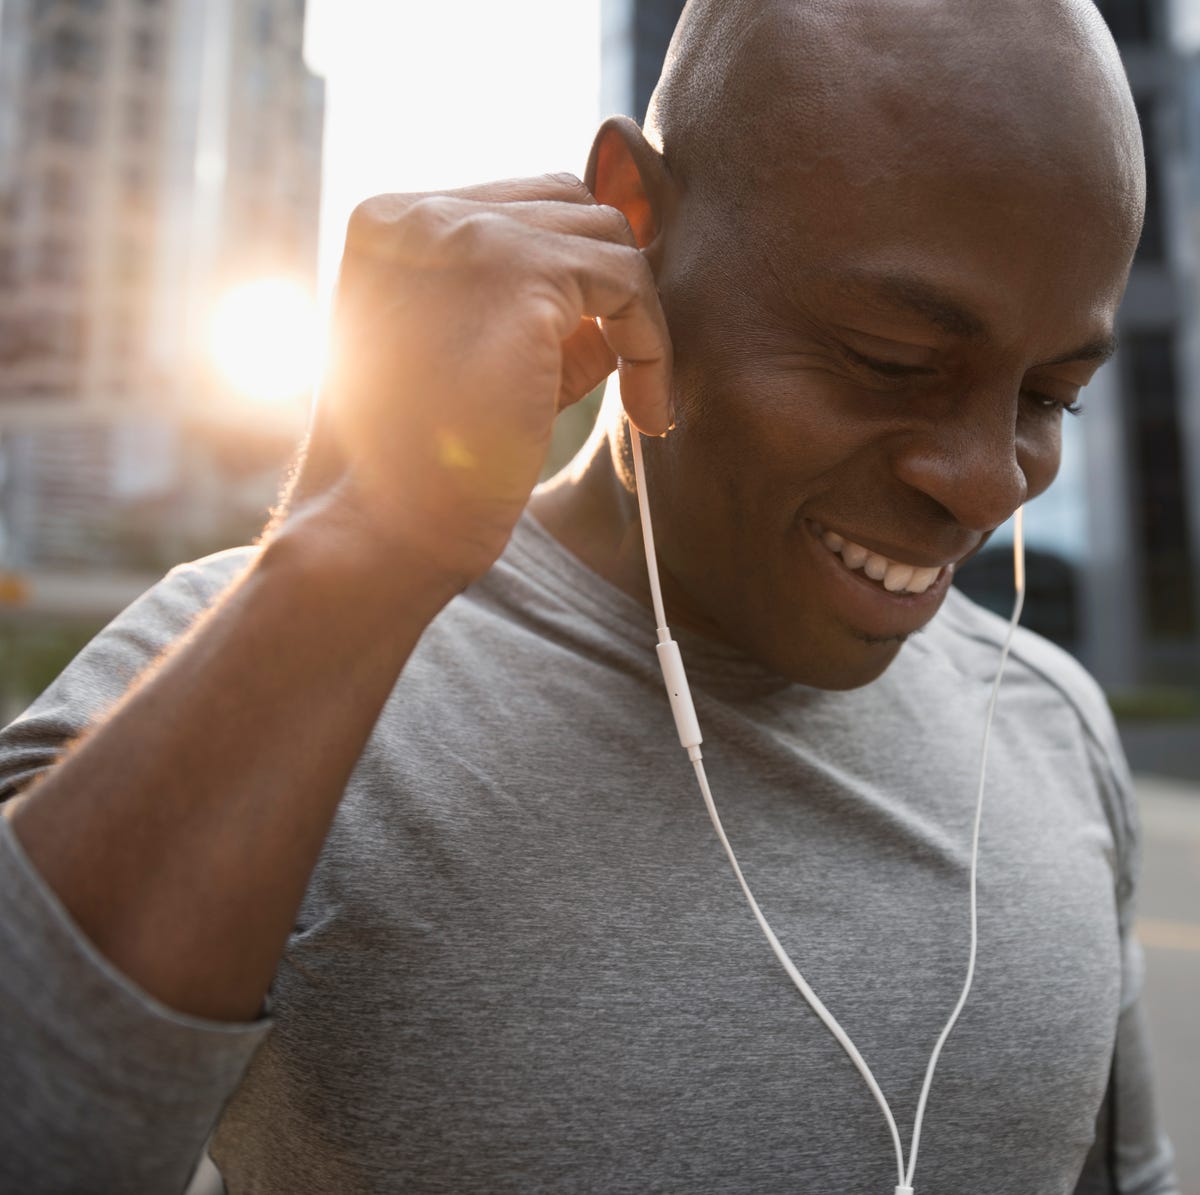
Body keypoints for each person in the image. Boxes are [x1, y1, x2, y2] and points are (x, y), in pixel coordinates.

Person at [0, 0, 1180, 1191]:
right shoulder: (270, 658)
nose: (988, 482)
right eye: (891, 360)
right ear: (631, 220)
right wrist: (359, 548)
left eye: (1049, 396)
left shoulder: (1049, 723)